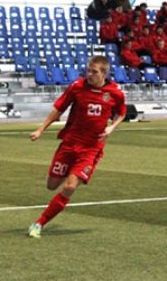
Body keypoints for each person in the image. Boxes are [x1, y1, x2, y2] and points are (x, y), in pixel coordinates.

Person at [27, 56, 127, 238]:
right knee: (51, 185)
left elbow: (121, 112)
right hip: (70, 144)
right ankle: (72, 172)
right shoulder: (77, 87)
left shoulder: (115, 93)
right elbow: (59, 109)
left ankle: (38, 223)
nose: (89, 74)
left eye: (94, 71)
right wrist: (41, 129)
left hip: (91, 149)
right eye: (88, 70)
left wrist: (112, 127)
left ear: (104, 73)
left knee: (70, 186)